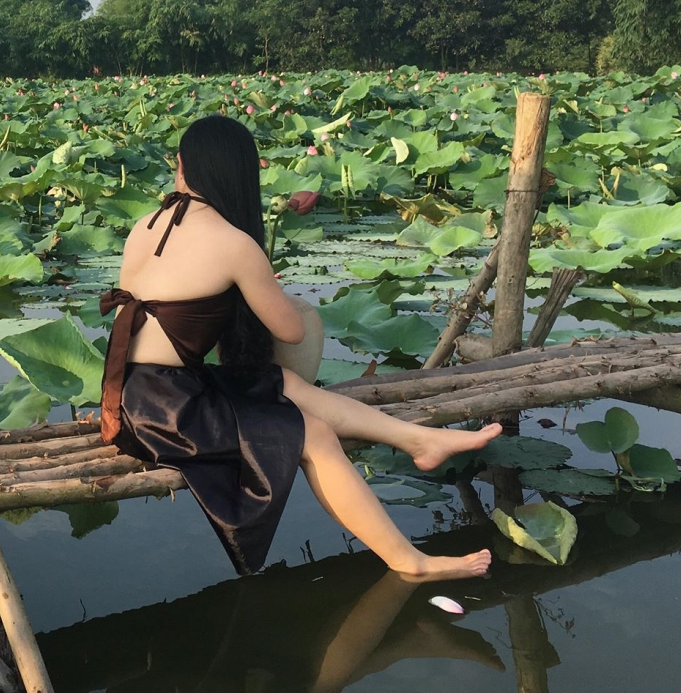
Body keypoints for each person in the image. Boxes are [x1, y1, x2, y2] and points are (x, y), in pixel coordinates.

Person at [101, 114, 498, 578]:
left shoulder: (145, 224)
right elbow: (292, 332)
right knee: (315, 435)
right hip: (165, 413)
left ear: (184, 166)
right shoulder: (234, 243)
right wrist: (271, 289)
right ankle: (410, 561)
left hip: (135, 393)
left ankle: (419, 440)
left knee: (282, 382)